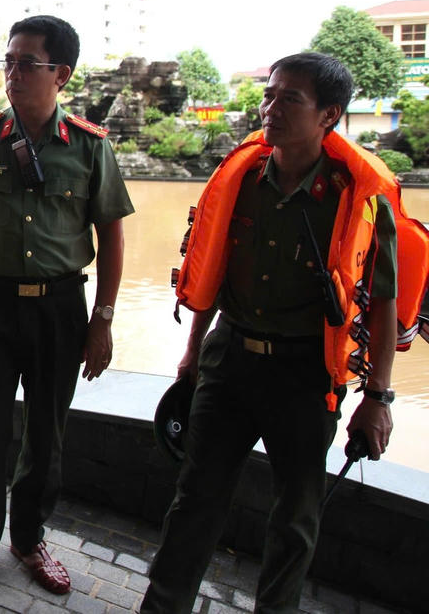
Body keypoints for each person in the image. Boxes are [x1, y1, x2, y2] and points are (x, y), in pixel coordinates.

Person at [141, 52, 424, 613]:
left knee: (295, 517)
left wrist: (378, 399)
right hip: (230, 362)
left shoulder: (359, 197)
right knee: (195, 499)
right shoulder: (240, 177)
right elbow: (210, 272)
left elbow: (385, 299)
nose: (269, 109)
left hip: (306, 376)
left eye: (288, 99)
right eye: (269, 96)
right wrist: (193, 353)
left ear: (329, 115)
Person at [0, 15, 133, 596]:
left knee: (47, 430)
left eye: (27, 63)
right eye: (9, 61)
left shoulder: (91, 148)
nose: (13, 74)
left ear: (61, 74)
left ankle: (29, 537)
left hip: (60, 308)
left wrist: (103, 319)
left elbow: (113, 236)